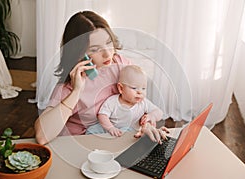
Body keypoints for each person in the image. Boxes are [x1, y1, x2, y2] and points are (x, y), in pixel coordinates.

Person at [34, 11, 167, 145]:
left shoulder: (121, 65)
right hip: (81, 143)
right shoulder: (70, 86)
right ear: (79, 54)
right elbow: (42, 136)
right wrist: (76, 91)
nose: (107, 53)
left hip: (114, 138)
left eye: (109, 43)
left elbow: (136, 102)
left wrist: (147, 124)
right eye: (95, 49)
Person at [86, 65, 168, 142]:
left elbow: (159, 112)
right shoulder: (113, 101)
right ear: (121, 88)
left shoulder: (143, 103)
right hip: (110, 127)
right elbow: (102, 115)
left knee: (129, 132)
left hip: (129, 131)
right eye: (134, 88)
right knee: (92, 130)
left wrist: (152, 115)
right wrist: (110, 128)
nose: (140, 92)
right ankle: (94, 143)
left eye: (143, 88)